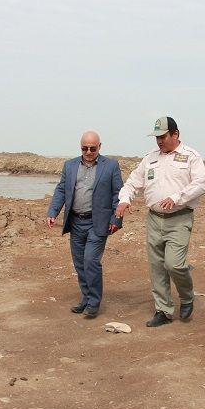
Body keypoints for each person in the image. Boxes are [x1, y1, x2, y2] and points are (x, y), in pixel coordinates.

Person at [116, 117, 205, 327]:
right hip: (154, 219)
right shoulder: (150, 158)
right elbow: (132, 183)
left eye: (163, 136)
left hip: (179, 218)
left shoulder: (191, 156)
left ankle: (187, 297)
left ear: (175, 134)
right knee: (156, 266)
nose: (159, 141)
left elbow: (201, 183)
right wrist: (124, 199)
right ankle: (163, 310)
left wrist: (177, 197)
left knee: (174, 264)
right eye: (157, 137)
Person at [46, 131, 124, 318]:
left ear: (99, 146)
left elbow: (118, 194)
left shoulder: (111, 166)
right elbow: (61, 189)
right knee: (80, 263)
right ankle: (86, 298)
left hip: (98, 222)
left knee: (91, 261)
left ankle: (94, 302)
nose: (88, 152)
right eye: (85, 148)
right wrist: (53, 211)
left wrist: (116, 219)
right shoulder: (70, 165)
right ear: (80, 147)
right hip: (76, 222)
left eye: (92, 148)